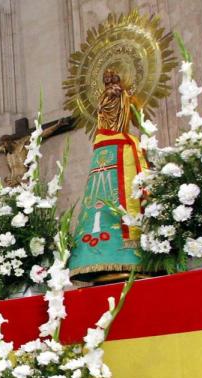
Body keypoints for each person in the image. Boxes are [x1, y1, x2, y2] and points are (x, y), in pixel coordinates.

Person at [69, 69, 147, 283]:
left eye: (111, 79)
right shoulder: (105, 97)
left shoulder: (121, 95)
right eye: (106, 80)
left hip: (120, 146)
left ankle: (134, 252)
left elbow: (122, 104)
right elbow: (102, 110)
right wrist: (105, 105)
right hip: (106, 143)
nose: (109, 82)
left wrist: (122, 99)